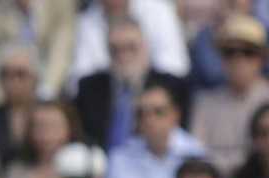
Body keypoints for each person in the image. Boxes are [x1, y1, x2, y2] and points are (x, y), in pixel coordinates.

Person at [190, 15, 269, 174]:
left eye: (248, 52)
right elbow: (198, 156)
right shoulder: (204, 104)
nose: (239, 59)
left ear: (262, 59)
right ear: (221, 58)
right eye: (230, 52)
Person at [74, 17, 191, 152]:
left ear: (146, 47)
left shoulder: (172, 86)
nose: (123, 56)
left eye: (131, 48)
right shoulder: (89, 88)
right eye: (115, 49)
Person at [107, 83, 211, 178]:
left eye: (158, 112)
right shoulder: (119, 159)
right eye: (141, 113)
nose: (149, 120)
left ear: (175, 114)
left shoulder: (196, 154)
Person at [70, 0, 189, 85]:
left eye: (131, 47)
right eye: (115, 49)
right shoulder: (85, 21)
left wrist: (140, 80)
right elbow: (80, 75)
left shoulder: (159, 8)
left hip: (152, 89)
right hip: (108, 93)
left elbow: (175, 66)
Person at [0, 0, 76, 103]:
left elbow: (60, 53)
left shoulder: (60, 5)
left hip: (50, 92)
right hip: (7, 97)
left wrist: (45, 95)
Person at [4, 99, 82, 178]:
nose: (47, 135)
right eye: (40, 127)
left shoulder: (81, 168)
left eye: (54, 127)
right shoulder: (16, 172)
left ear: (69, 128)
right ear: (30, 131)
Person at [0, 46, 41, 166]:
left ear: (35, 77)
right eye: (6, 74)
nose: (13, 82)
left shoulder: (47, 113)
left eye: (20, 74)